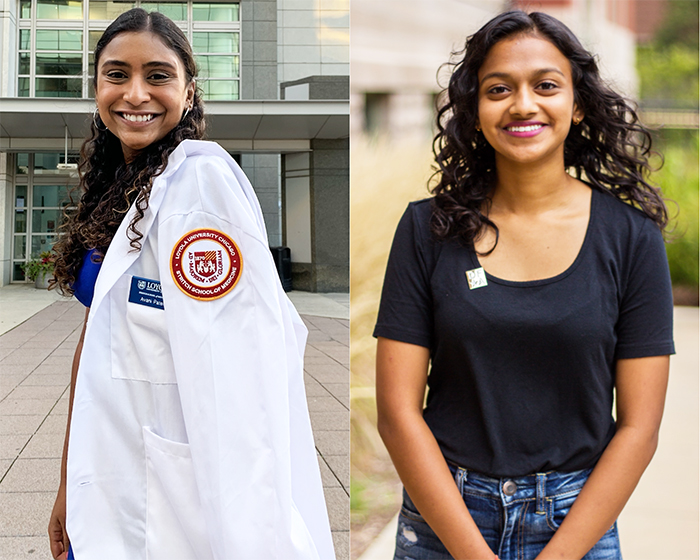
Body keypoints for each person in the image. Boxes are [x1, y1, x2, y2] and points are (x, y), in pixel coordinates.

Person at [374, 10, 674, 560]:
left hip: (576, 524)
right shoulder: (427, 229)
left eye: (546, 85)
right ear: (476, 109)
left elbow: (639, 427)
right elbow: (397, 411)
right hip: (446, 522)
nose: (523, 104)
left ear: (577, 104)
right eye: (498, 88)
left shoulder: (631, 238)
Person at [47, 8, 335, 560]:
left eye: (158, 75)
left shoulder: (198, 182)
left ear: (188, 89)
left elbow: (240, 375)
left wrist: (254, 533)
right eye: (116, 74)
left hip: (167, 503)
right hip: (108, 473)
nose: (135, 93)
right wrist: (68, 477)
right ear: (96, 86)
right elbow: (97, 342)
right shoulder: (121, 184)